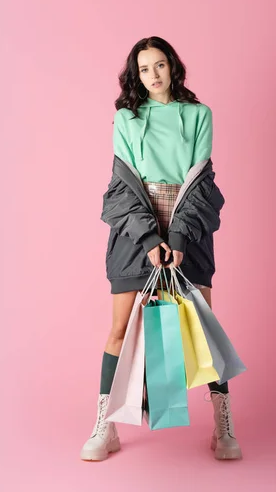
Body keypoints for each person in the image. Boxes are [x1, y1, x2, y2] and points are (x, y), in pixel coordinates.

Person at [80, 36, 242, 462]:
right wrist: (151, 239)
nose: (153, 75)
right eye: (144, 68)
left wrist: (180, 239)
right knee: (119, 330)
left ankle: (223, 427)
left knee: (204, 329)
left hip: (188, 224)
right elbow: (122, 187)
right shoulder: (127, 120)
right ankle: (105, 426)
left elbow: (201, 184)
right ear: (136, 73)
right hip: (137, 231)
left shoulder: (198, 114)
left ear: (173, 66)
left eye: (160, 65)